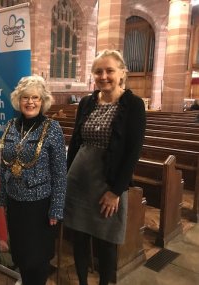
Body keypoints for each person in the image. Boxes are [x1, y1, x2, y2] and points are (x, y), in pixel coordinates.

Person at [64, 49, 146, 285]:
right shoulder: (87, 102)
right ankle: (81, 282)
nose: (104, 76)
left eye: (109, 70)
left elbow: (132, 153)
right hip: (79, 181)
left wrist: (115, 191)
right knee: (78, 238)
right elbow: (76, 141)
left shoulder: (133, 105)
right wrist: (66, 178)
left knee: (106, 243)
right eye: (98, 71)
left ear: (122, 73)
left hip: (107, 185)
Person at [0, 75, 67, 285]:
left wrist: (56, 208)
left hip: (40, 206)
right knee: (20, 254)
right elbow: (3, 166)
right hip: (15, 202)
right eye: (25, 97)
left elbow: (60, 173)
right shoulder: (10, 126)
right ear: (18, 100)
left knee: (38, 259)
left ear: (43, 101)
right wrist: (2, 198)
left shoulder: (52, 128)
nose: (30, 102)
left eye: (35, 97)